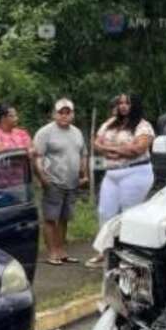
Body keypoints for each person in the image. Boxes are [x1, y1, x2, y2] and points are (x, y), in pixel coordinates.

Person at [90, 93, 154, 265]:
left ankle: (130, 253)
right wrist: (118, 149)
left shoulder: (143, 126)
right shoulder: (110, 123)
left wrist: (109, 149)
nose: (123, 106)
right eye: (121, 103)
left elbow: (138, 149)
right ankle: (106, 252)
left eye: (128, 103)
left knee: (129, 213)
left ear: (135, 105)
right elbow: (96, 143)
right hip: (112, 173)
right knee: (105, 212)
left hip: (135, 173)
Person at [31, 98, 88, 266]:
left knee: (64, 218)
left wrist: (84, 174)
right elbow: (37, 156)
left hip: (72, 182)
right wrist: (42, 177)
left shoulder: (76, 132)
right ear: (54, 114)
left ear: (72, 114)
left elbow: (83, 153)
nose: (64, 115)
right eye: (60, 112)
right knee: (51, 218)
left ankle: (61, 251)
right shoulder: (45, 132)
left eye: (67, 112)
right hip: (53, 181)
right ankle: (51, 253)